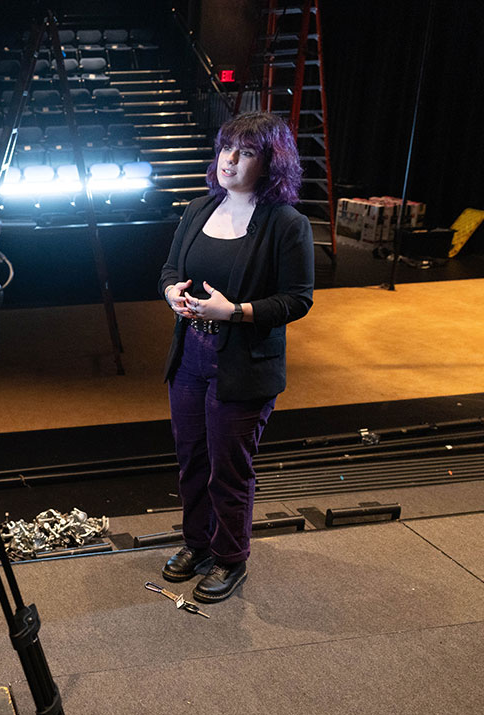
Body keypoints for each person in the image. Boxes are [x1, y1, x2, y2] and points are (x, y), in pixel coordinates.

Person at [157, 111, 314, 603]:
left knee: (229, 468)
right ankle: (198, 545)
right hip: (190, 355)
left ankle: (230, 557)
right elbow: (169, 270)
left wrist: (235, 311)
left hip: (244, 362)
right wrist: (171, 293)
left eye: (246, 153)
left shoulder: (287, 224)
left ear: (270, 164)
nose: (230, 160)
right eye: (227, 148)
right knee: (192, 460)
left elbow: (297, 300)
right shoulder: (199, 209)